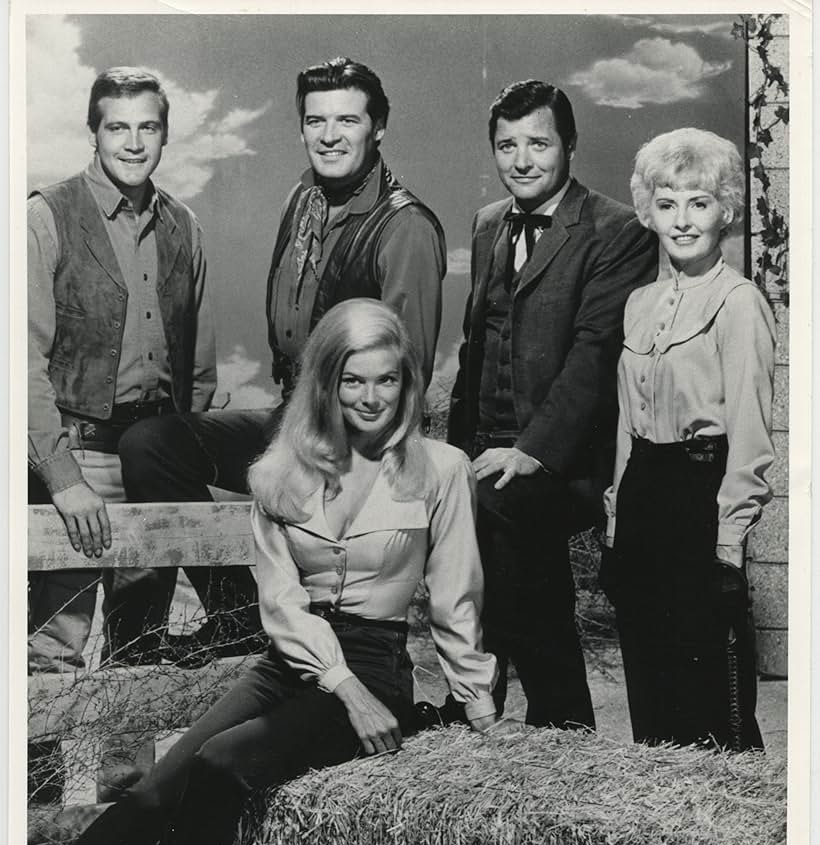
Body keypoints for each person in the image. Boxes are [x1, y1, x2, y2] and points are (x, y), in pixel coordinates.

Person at [27, 298, 498, 845]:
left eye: (387, 380)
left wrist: (477, 708)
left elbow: (458, 596)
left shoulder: (442, 468)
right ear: (327, 382)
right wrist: (338, 683)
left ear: (408, 383)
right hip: (294, 660)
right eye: (354, 380)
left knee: (221, 763)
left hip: (377, 664)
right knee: (153, 790)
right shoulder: (281, 468)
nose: (371, 397)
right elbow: (279, 603)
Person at [119, 56, 447, 667]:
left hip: (351, 445)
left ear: (378, 127)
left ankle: (260, 624)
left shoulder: (404, 228)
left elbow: (409, 375)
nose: (328, 135)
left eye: (347, 120)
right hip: (289, 421)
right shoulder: (304, 199)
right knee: (150, 445)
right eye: (315, 120)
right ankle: (240, 618)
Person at [447, 80, 658, 729]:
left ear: (569, 144)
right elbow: (474, 346)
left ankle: (562, 717)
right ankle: (484, 708)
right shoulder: (488, 225)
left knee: (505, 511)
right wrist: (453, 454)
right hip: (489, 447)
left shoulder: (617, 230)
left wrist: (532, 451)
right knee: (474, 514)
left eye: (538, 142)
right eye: (507, 144)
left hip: (576, 460)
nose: (522, 159)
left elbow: (594, 360)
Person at [27, 67, 217, 670]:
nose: (134, 143)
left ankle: (132, 774)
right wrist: (62, 477)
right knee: (54, 646)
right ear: (94, 133)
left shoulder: (184, 226)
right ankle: (36, 771)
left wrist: (179, 455)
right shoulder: (45, 217)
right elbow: (18, 362)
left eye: (149, 128)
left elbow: (199, 364)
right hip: (77, 458)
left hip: (152, 461)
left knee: (139, 651)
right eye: (118, 128)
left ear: (165, 136)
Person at [600, 128, 775, 751]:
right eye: (667, 202)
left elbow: (752, 439)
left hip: (701, 492)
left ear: (725, 210)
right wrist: (618, 519)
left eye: (698, 202)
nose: (681, 220)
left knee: (711, 688)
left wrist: (729, 541)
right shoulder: (639, 304)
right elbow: (626, 423)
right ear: (649, 210)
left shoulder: (740, 303)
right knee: (648, 672)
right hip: (644, 489)